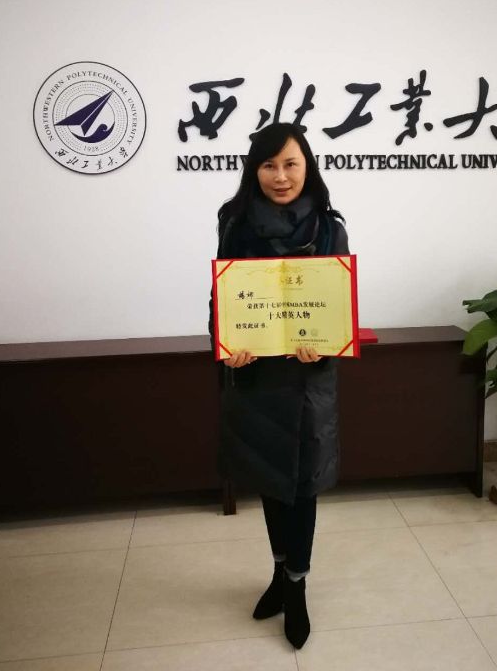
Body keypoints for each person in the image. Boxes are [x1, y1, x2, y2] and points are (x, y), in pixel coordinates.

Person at [208, 122, 349, 649]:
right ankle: (278, 572)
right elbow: (221, 297)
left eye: (291, 163)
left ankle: (297, 585)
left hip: (308, 378)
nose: (280, 176)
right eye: (269, 165)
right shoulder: (235, 222)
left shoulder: (329, 227)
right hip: (256, 376)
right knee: (270, 480)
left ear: (307, 166)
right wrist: (227, 344)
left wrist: (326, 343)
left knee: (302, 484)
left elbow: (337, 301)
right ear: (255, 170)